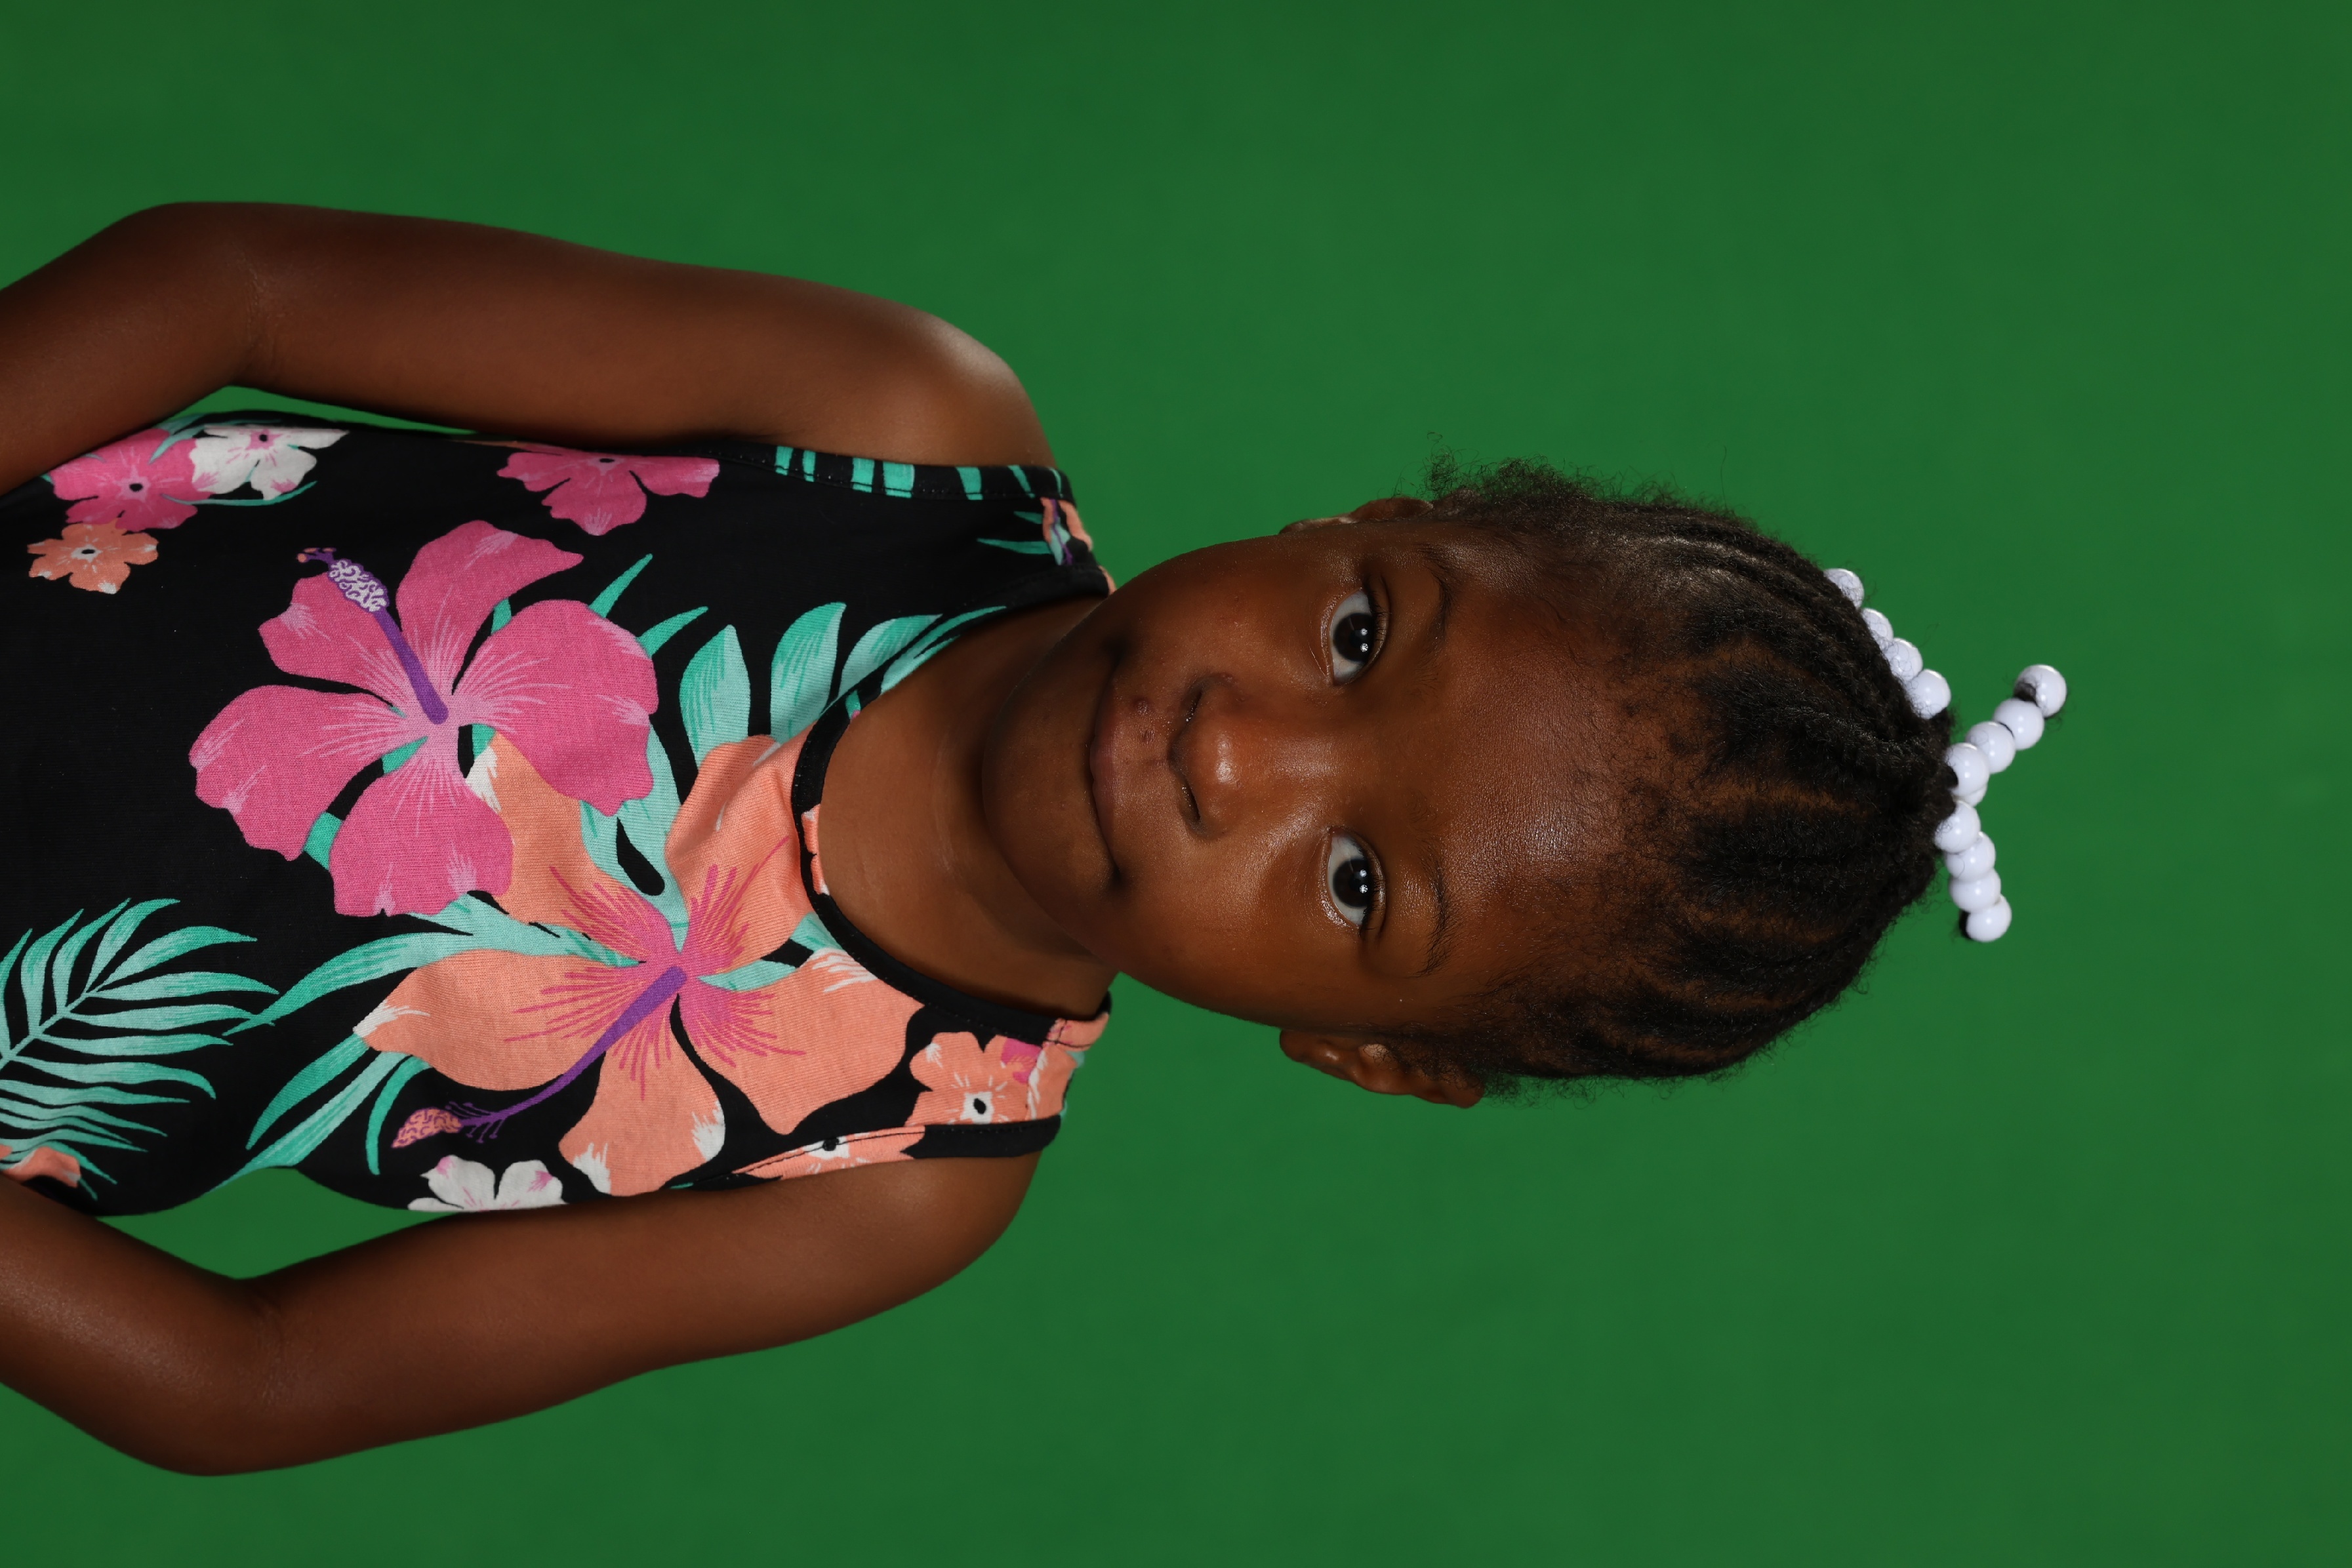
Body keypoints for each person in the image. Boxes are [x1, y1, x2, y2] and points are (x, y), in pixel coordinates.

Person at [0, 203, 2058, 1473]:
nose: (1244, 753)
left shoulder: (889, 1180)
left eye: (1359, 882)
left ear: (1371, 1055)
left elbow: (256, 1383)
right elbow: (233, 280)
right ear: (1369, 521)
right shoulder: (890, 429)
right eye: (1358, 637)